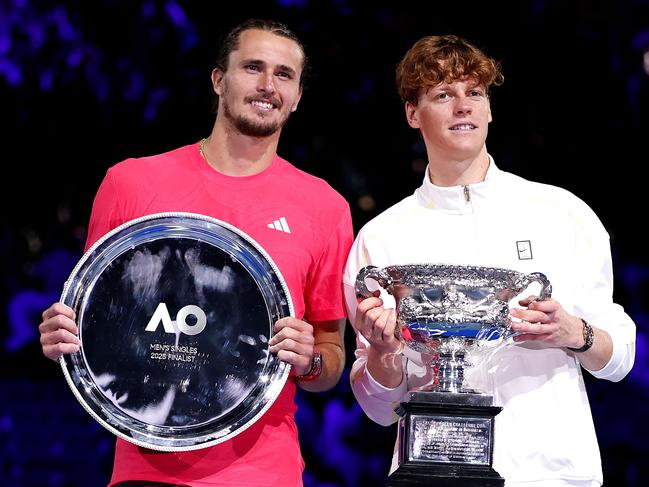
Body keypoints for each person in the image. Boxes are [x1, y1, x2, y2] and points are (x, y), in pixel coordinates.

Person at [38, 19, 353, 487]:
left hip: (263, 470)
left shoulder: (325, 207)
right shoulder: (131, 183)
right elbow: (97, 325)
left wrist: (310, 360)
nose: (268, 86)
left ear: (299, 95)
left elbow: (330, 358)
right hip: (144, 469)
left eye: (284, 75)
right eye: (253, 67)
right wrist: (62, 337)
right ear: (218, 80)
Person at [343, 34, 636, 487]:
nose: (463, 107)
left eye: (474, 93)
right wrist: (383, 353)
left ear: (490, 109)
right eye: (444, 94)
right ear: (412, 113)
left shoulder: (562, 213)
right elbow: (379, 410)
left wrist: (573, 332)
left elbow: (621, 356)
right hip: (432, 471)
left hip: (550, 473)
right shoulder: (381, 238)